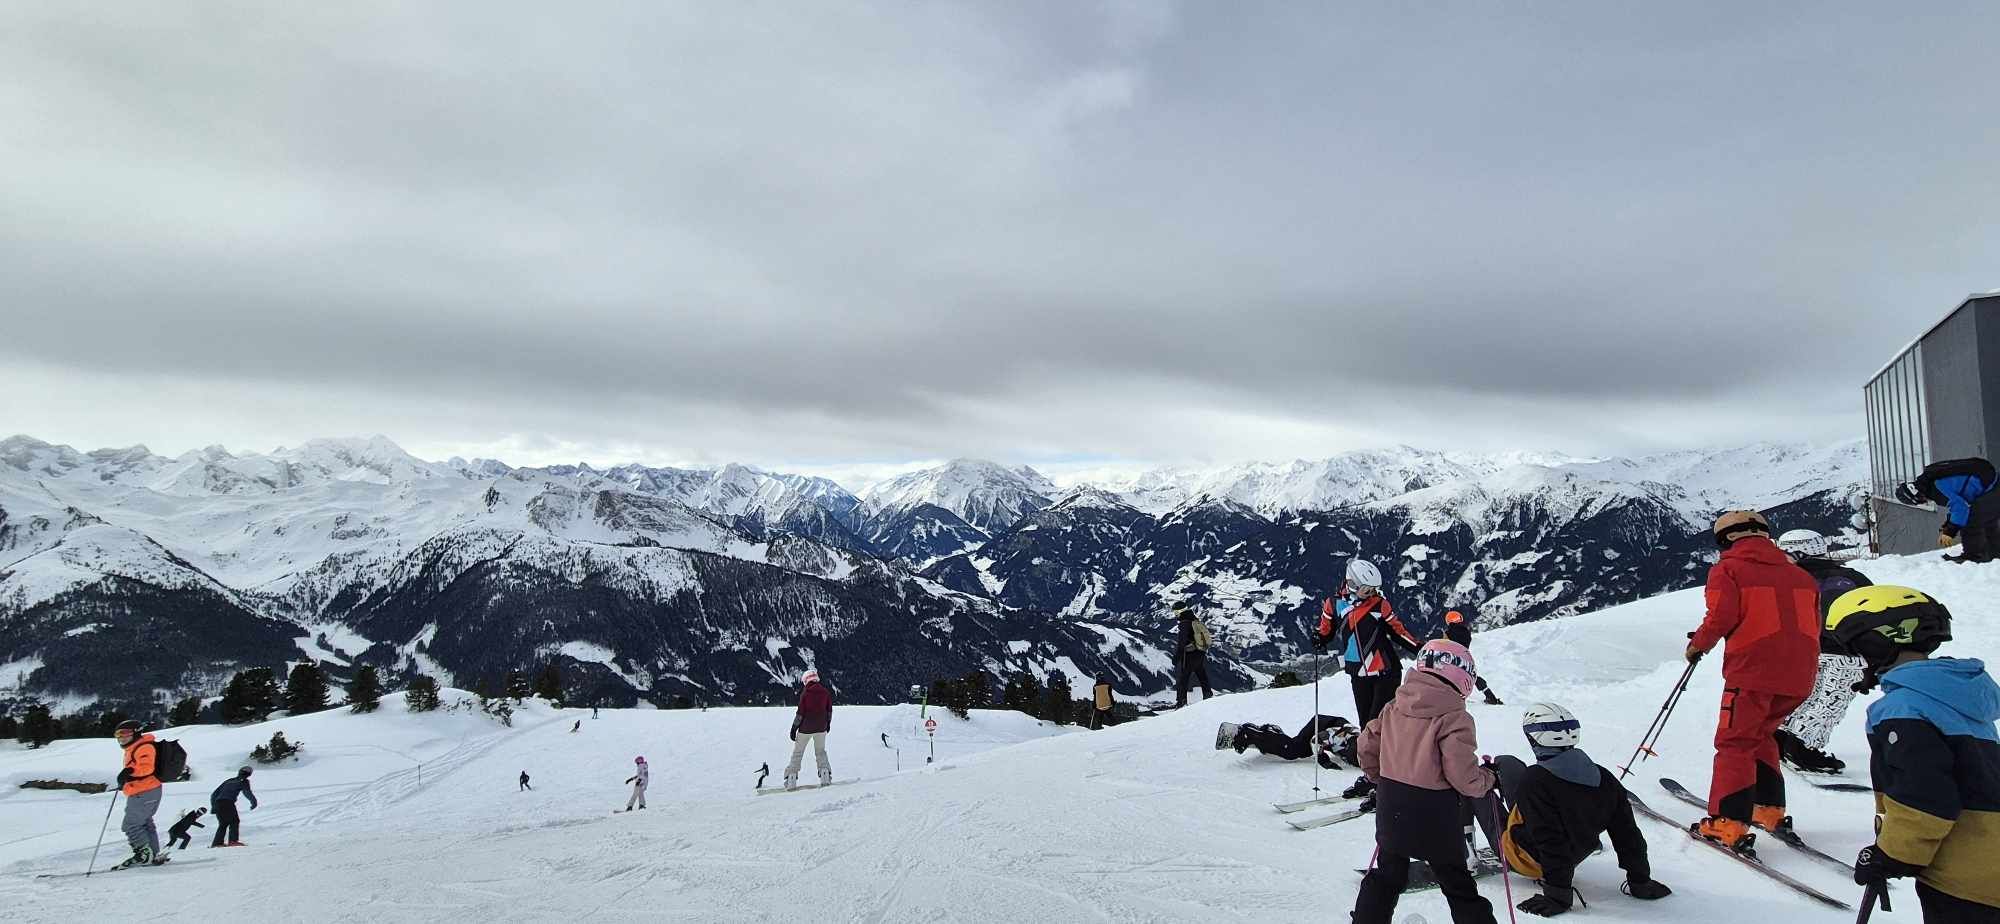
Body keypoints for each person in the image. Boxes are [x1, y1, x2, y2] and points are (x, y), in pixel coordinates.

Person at [1827, 585, 2000, 922]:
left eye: (1859, 649)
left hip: (1964, 879)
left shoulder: (1902, 707)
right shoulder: (1955, 694)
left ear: (1877, 642)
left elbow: (1926, 798)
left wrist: (1891, 855)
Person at [1683, 511, 1821, 852]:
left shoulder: (1728, 570)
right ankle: (1768, 809)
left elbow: (1722, 616)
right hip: (1800, 674)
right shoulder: (1801, 575)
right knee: (1762, 735)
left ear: (1725, 540)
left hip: (1753, 672)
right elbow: (1815, 624)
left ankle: (1727, 822)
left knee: (1735, 743)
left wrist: (1698, 644)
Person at [1350, 640, 1497, 924]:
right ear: (1461, 676)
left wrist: (1379, 777)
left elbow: (1367, 743)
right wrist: (1487, 779)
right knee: (1457, 883)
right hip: (1435, 813)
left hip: (1392, 803)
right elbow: (1463, 776)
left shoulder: (1395, 706)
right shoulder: (1455, 717)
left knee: (1388, 876)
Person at [1487, 703, 1672, 918]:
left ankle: (1458, 854)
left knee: (1474, 784)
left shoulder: (1535, 781)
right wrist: (1640, 880)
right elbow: (1627, 834)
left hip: (1530, 861)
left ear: (1534, 738)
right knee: (1507, 763)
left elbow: (1549, 840)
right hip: (1575, 854)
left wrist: (1557, 894)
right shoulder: (1604, 778)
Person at [1318, 558, 1422, 800]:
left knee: (1379, 725)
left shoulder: (1379, 605)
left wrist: (1420, 649)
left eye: (1373, 589)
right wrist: (1318, 639)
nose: (1372, 593)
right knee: (1366, 727)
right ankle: (1372, 776)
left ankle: (1385, 779)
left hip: (1385, 672)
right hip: (1358, 674)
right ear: (1352, 583)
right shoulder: (1334, 604)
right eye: (1367, 589)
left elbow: (1398, 632)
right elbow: (1326, 629)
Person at [1771, 529, 1873, 774]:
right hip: (1844, 650)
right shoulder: (1850, 578)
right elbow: (1872, 612)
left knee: (1805, 696)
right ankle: (1802, 750)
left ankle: (1781, 740)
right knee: (1829, 701)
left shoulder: (1784, 580)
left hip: (1801, 650)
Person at [1896, 457, 2000, 563]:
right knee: (1987, 520)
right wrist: (1947, 527)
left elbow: (1961, 508)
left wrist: (1950, 531)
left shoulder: (1936, 488)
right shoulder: (1930, 482)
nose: (1924, 502)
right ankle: (1995, 555)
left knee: (1971, 519)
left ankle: (1973, 556)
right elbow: (1956, 506)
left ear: (1916, 496)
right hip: (1992, 483)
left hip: (1992, 487)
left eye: (1919, 502)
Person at [112, 719, 164, 869]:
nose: (121, 738)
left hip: (144, 791)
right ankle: (152, 854)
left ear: (136, 732)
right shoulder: (135, 747)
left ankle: (143, 855)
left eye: (126, 733)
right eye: (118, 735)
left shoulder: (144, 746)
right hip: (145, 790)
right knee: (145, 823)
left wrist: (129, 772)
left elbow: (146, 768)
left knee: (131, 825)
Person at [1226, 714, 1358, 769]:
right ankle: (1246, 732)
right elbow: (1316, 740)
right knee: (1292, 750)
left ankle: (1268, 737)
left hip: (1331, 730)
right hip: (1320, 726)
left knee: (1295, 749)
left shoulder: (1366, 750)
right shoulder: (1346, 737)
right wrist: (1324, 760)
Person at [1442, 610, 1505, 706]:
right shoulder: (1466, 632)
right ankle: (1490, 696)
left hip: (1450, 659)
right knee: (1473, 677)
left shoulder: (1448, 632)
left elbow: (1443, 645)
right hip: (1465, 657)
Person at [786, 670, 834, 789]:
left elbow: (800, 714)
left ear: (806, 680)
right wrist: (827, 724)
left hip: (805, 729)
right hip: (821, 728)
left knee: (798, 753)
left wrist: (794, 728)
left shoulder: (805, 693)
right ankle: (825, 774)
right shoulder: (825, 692)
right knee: (820, 751)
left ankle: (791, 777)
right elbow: (829, 711)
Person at [1173, 607, 1214, 707]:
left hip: (1189, 654)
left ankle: (1181, 702)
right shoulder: (1194, 619)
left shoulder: (1184, 624)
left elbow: (1182, 643)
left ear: (1179, 611)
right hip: (1200, 652)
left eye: (1175, 612)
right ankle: (1208, 694)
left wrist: (1176, 658)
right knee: (1201, 673)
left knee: (1183, 678)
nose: (1175, 614)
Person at [210, 765, 257, 847]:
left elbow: (214, 794)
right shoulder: (243, 781)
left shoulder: (229, 781)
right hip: (228, 803)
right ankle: (233, 841)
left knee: (223, 823)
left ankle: (217, 843)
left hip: (218, 802)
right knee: (234, 821)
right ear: (249, 774)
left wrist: (214, 806)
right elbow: (247, 792)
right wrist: (254, 802)